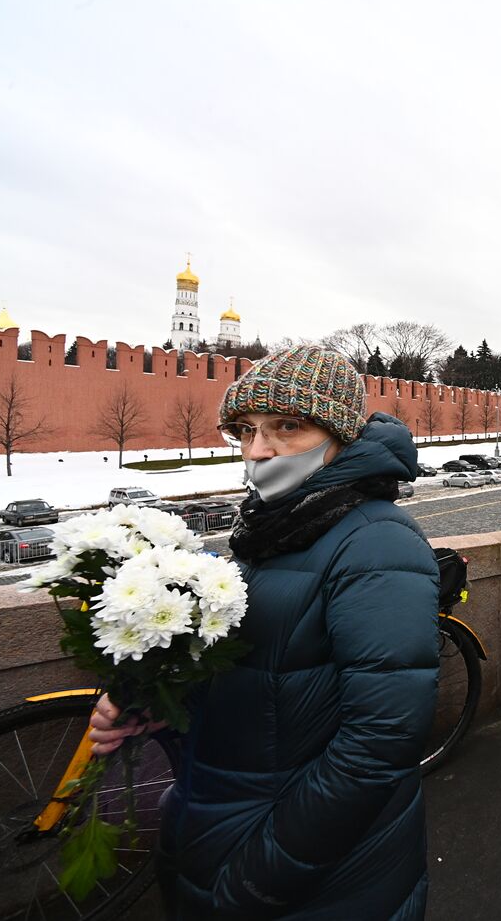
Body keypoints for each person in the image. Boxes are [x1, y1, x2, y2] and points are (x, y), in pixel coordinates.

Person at [89, 346, 441, 919]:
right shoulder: (271, 528)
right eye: (246, 430)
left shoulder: (377, 541)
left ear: (341, 435)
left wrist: (261, 876)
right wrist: (163, 707)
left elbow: (380, 742)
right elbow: (267, 680)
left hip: (310, 874)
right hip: (220, 832)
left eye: (287, 427)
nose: (259, 450)